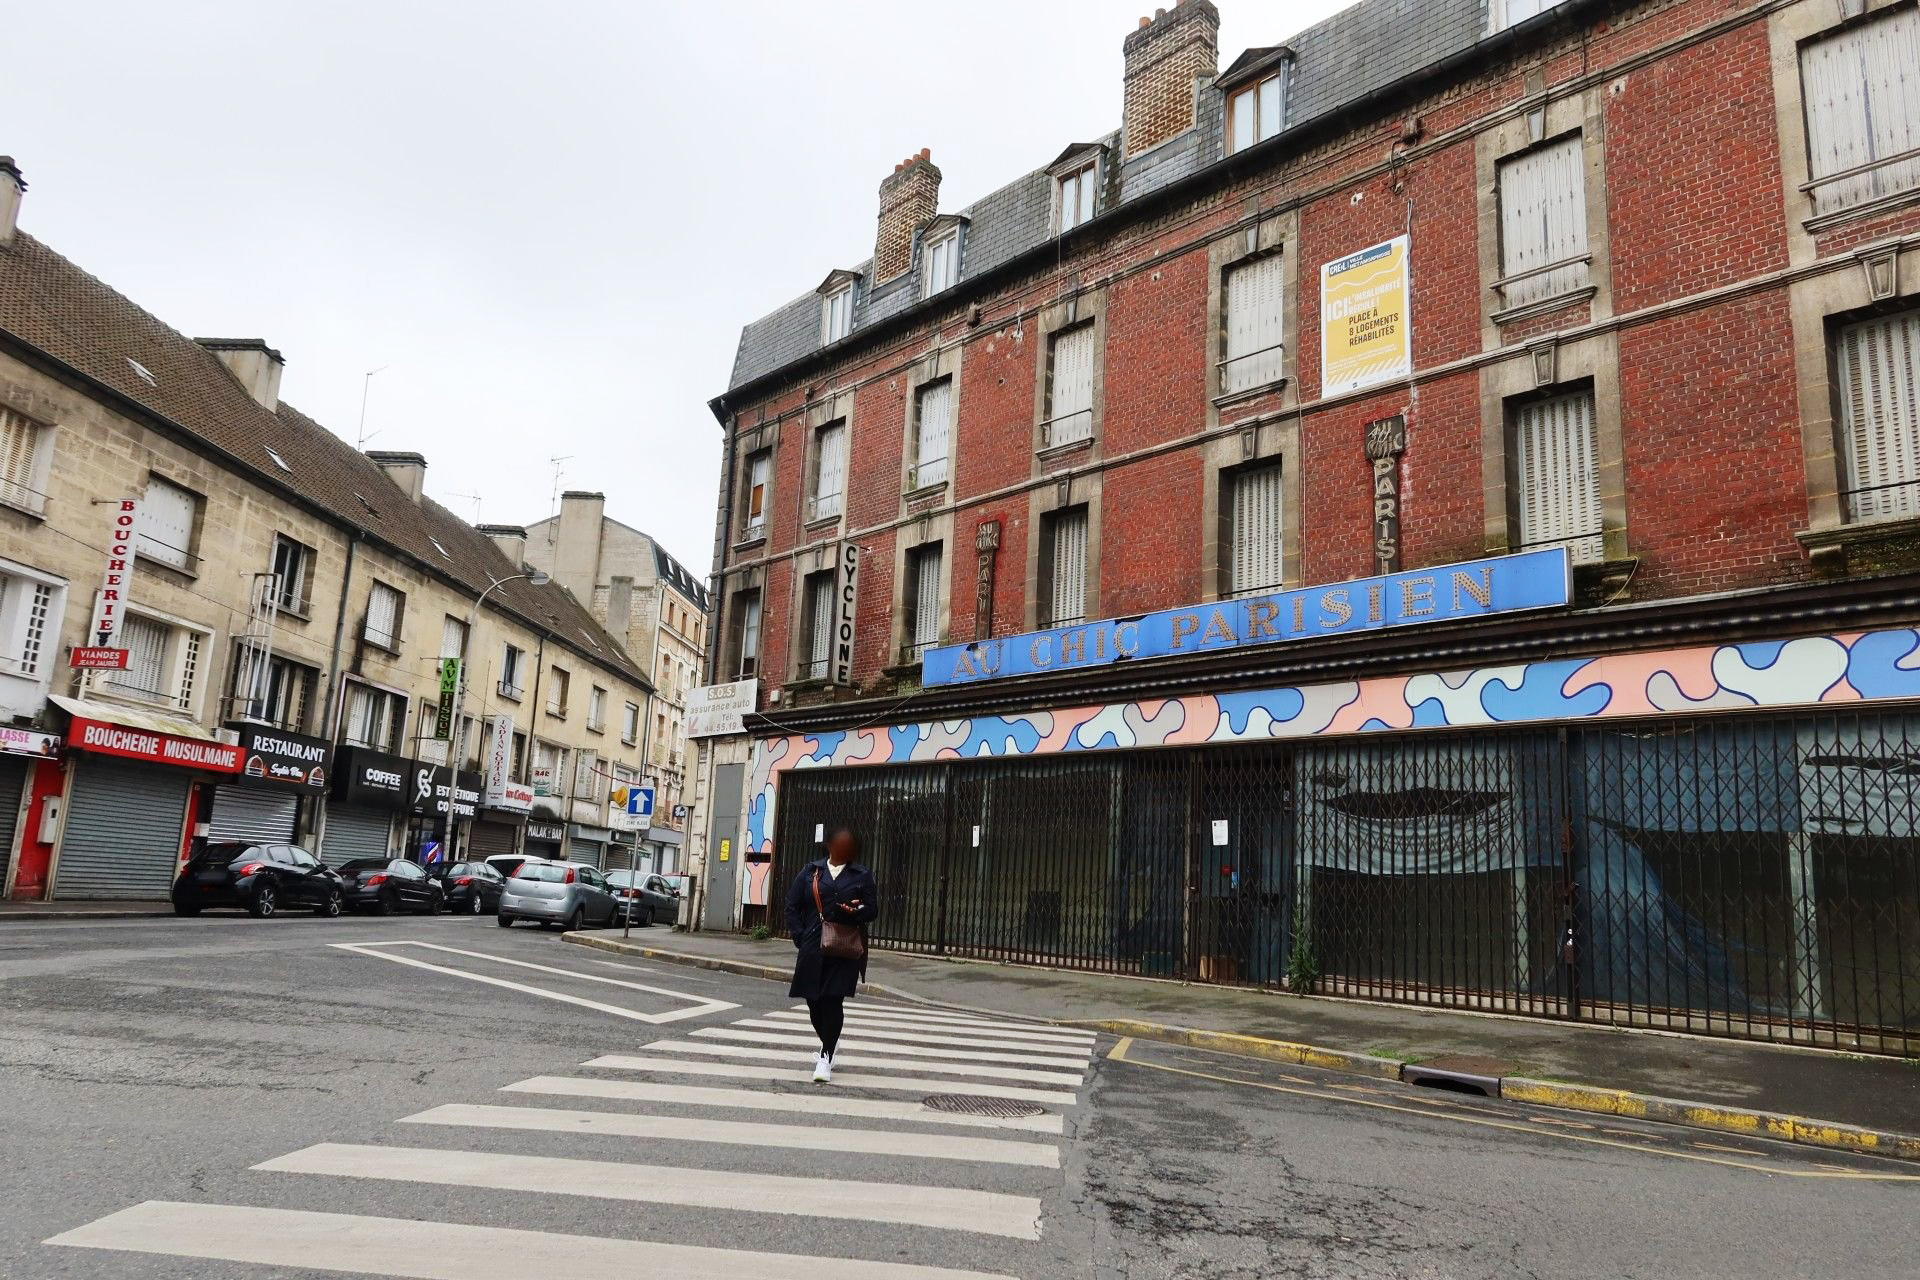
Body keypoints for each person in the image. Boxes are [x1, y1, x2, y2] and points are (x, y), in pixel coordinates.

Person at [784, 827, 878, 1083]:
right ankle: (830, 1040)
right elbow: (792, 905)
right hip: (813, 946)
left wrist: (857, 911)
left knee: (833, 1000)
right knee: (813, 1001)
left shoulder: (862, 875)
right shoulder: (811, 872)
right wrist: (799, 935)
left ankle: (825, 1058)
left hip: (845, 946)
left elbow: (872, 911)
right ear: (829, 846)